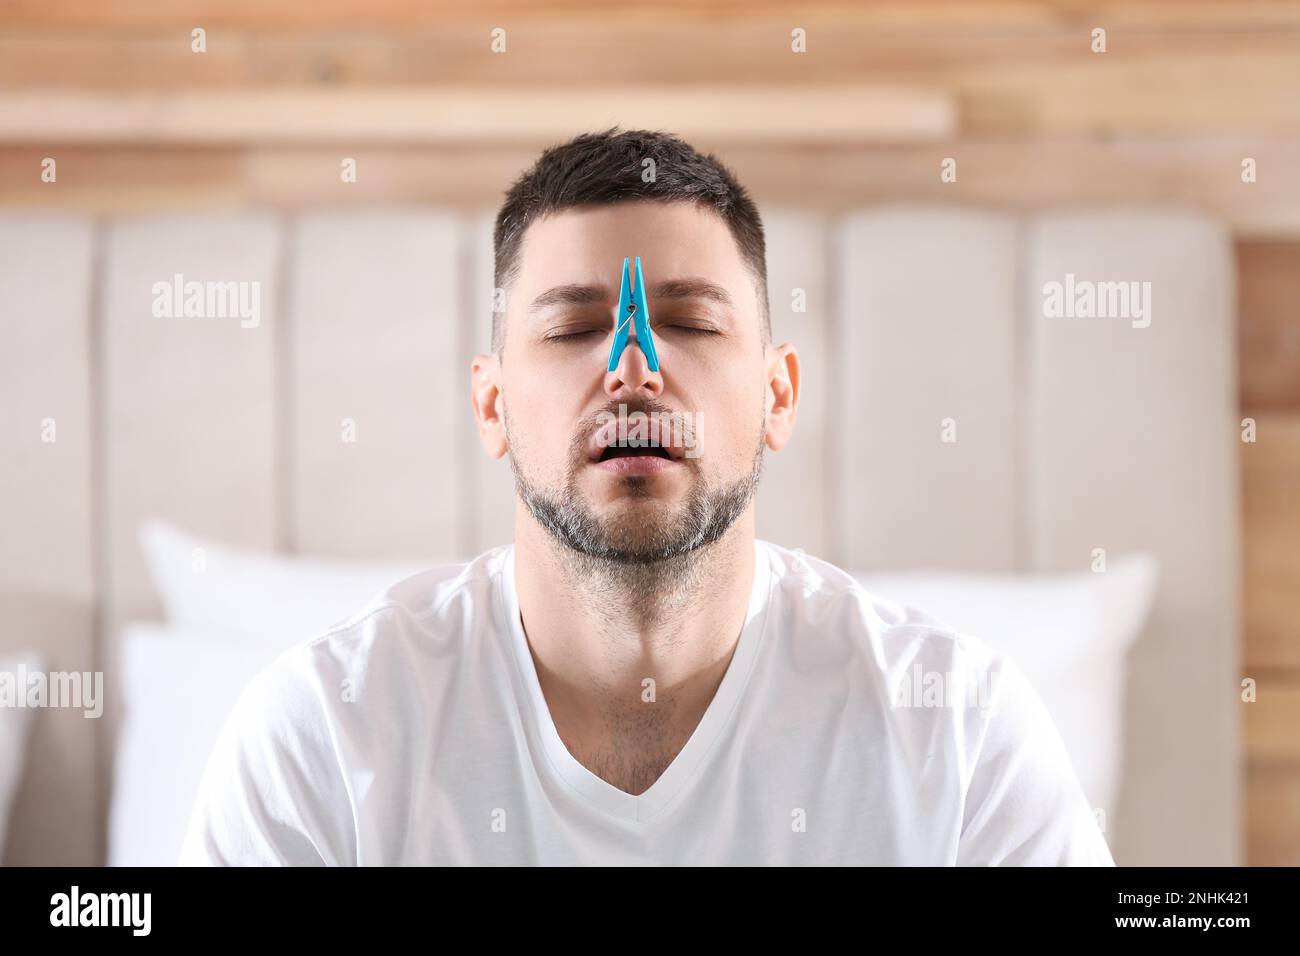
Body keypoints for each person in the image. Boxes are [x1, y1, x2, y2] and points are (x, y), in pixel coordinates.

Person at [180, 127, 1112, 865]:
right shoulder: (324, 732)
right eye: (575, 325)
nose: (633, 367)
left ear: (778, 395)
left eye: (691, 322)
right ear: (492, 402)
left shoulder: (958, 729)